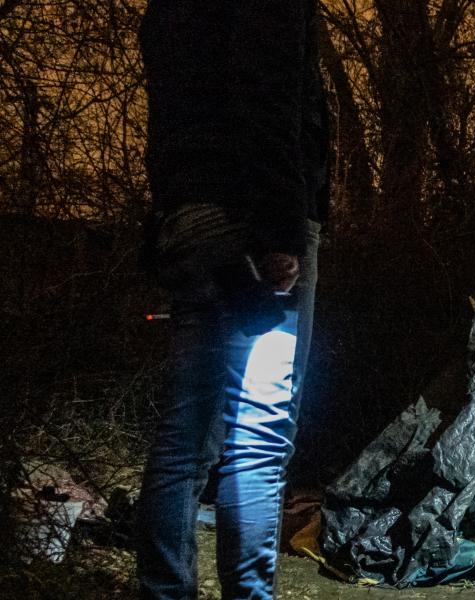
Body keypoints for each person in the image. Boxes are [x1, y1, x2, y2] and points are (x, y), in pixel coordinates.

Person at [136, 1, 328, 598]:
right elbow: (266, 100)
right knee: (259, 434)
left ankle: (165, 590)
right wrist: (281, 232)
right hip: (249, 227)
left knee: (184, 437)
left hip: (187, 218)